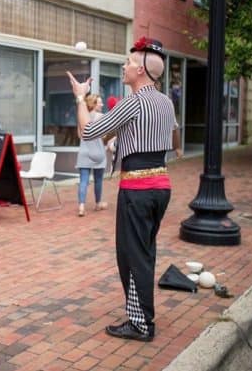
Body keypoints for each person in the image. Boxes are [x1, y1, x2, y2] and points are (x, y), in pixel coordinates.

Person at [68, 36, 182, 342]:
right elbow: (174, 140)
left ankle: (140, 322)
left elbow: (87, 131)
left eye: (129, 63)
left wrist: (81, 98)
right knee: (145, 251)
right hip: (161, 186)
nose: (124, 66)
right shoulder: (165, 102)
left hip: (138, 188)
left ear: (142, 70)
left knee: (131, 256)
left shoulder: (133, 101)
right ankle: (143, 314)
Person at [75, 94, 107, 217]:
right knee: (98, 180)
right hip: (97, 151)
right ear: (93, 104)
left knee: (83, 181)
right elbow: (104, 135)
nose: (102, 105)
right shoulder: (101, 117)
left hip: (84, 151)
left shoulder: (82, 117)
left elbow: (79, 135)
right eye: (100, 102)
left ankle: (81, 206)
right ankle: (98, 203)